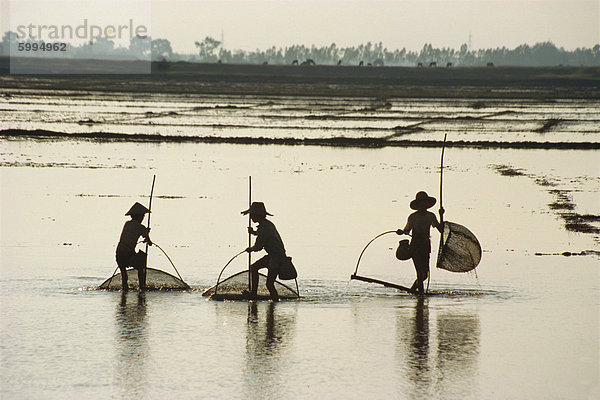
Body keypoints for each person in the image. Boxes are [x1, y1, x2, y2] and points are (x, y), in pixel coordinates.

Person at [397, 191, 444, 295]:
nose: (423, 205)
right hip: (415, 246)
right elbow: (407, 230)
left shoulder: (431, 216)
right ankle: (420, 295)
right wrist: (401, 232)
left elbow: (441, 230)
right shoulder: (413, 217)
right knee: (419, 272)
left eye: (425, 202)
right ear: (417, 205)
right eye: (421, 203)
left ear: (427, 204)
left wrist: (441, 215)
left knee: (424, 275)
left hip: (425, 246)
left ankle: (413, 290)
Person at [242, 202, 286, 301]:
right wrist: (253, 232)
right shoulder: (266, 225)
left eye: (252, 215)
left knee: (269, 284)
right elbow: (262, 235)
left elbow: (258, 247)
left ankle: (275, 301)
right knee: (253, 268)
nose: (251, 217)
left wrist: (250, 249)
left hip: (276, 258)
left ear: (258, 215)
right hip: (271, 256)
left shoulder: (264, 228)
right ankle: (253, 294)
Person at [116, 202, 152, 292]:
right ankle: (141, 287)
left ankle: (125, 290)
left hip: (119, 253)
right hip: (128, 254)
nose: (143, 218)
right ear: (139, 217)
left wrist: (145, 232)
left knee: (124, 276)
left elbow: (133, 233)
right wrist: (146, 233)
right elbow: (149, 242)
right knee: (141, 264)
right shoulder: (141, 227)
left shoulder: (127, 224)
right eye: (142, 216)